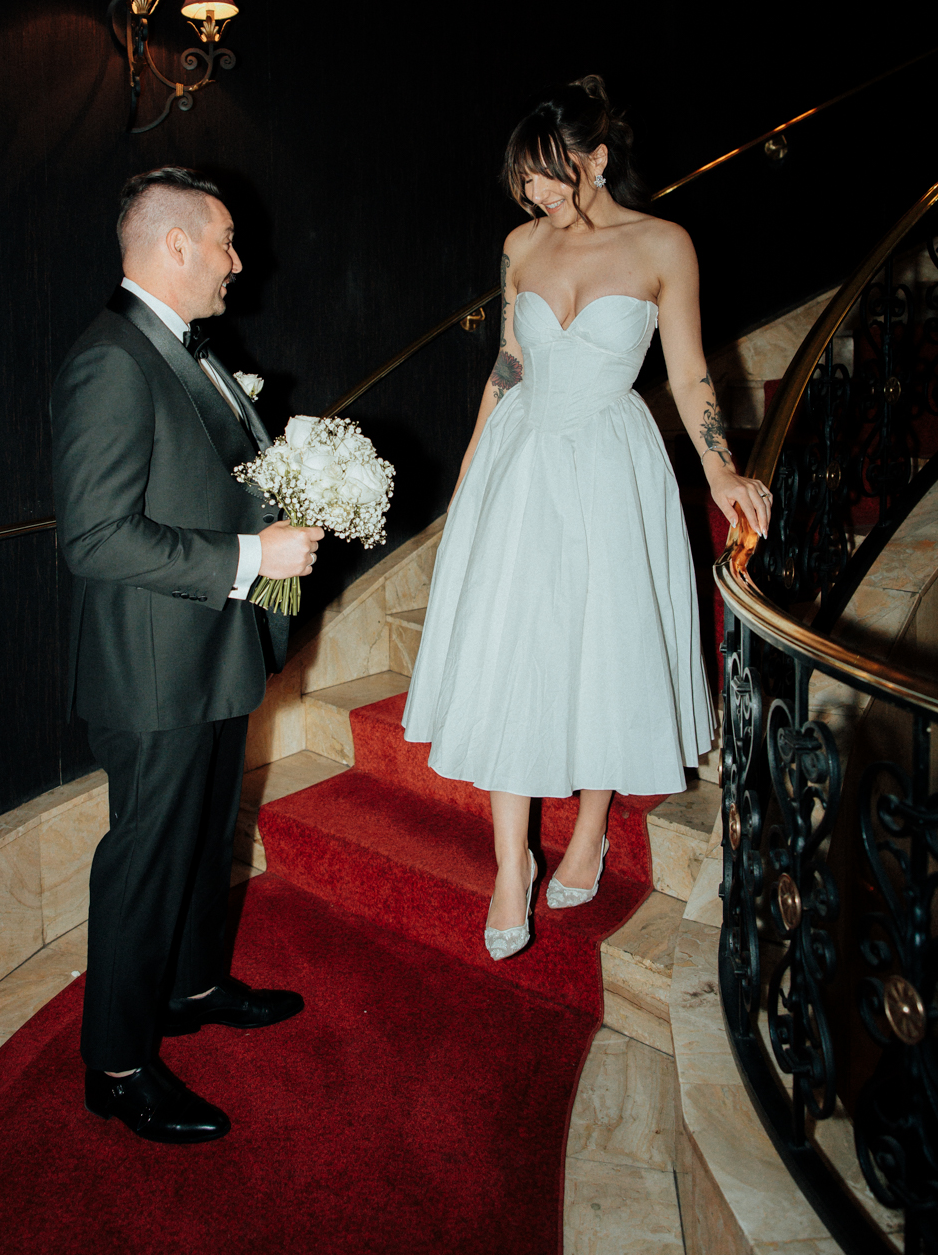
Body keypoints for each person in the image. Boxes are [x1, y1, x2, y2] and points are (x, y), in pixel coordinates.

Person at [401, 78, 771, 961]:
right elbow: (507, 364)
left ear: (598, 158)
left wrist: (720, 472)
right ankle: (508, 868)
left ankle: (591, 828)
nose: (536, 196)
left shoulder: (662, 244)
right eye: (524, 181)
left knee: (606, 642)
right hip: (521, 461)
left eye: (551, 176)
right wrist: (468, 474)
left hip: (611, 460)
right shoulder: (519, 245)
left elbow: (687, 375)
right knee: (512, 650)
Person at [51, 166, 324, 1142]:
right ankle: (116, 1066)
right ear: (173, 245)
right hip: (152, 666)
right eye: (224, 241)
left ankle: (190, 984)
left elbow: (200, 481)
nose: (237, 261)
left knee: (206, 833)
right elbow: (93, 537)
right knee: (145, 854)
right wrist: (252, 553)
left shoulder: (181, 349)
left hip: (208, 650)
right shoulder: (111, 359)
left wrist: (279, 508)